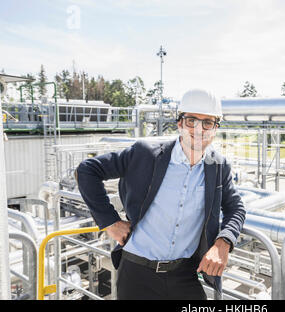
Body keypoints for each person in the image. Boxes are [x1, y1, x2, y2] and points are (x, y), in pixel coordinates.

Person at [75, 89, 246, 300]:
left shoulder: (218, 166)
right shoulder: (146, 154)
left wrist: (223, 243)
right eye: (192, 120)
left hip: (184, 275)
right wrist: (110, 221)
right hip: (137, 273)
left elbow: (236, 207)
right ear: (180, 123)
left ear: (215, 128)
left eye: (208, 122)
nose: (199, 129)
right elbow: (88, 170)